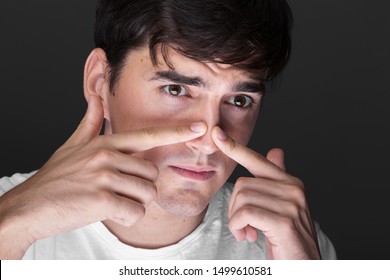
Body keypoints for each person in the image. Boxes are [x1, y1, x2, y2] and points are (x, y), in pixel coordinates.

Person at [0, 0, 336, 260]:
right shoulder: (7, 211)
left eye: (239, 99)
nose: (208, 141)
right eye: (176, 90)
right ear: (100, 81)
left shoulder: (287, 243)